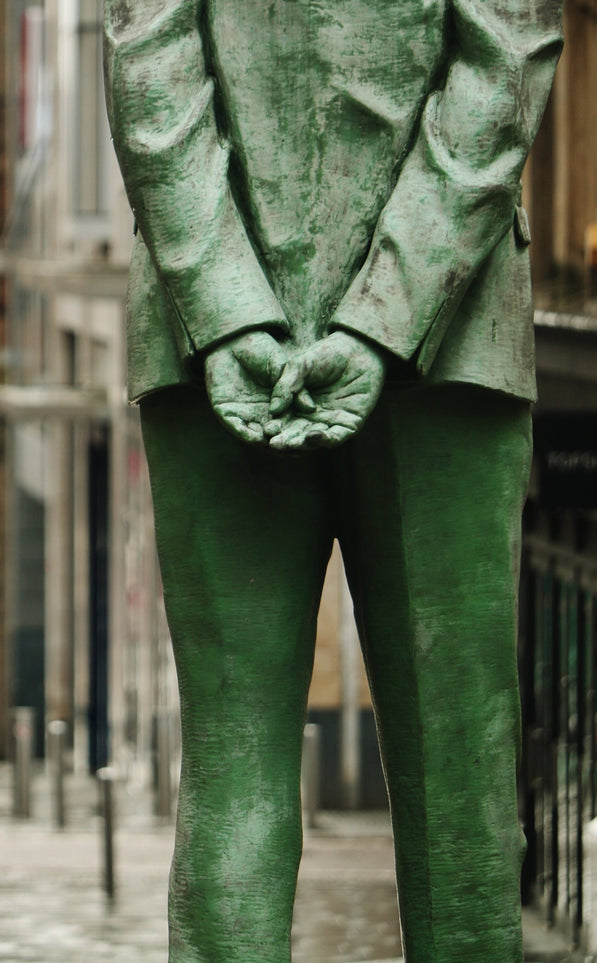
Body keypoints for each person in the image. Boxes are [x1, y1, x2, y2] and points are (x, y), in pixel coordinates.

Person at [102, 0, 563, 960]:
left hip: (209, 334)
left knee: (232, 766)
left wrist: (226, 306)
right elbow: (504, 61)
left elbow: (149, 66)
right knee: (459, 776)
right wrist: (386, 313)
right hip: (453, 326)